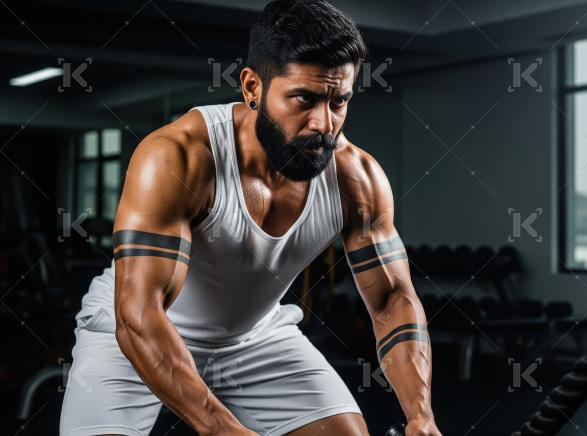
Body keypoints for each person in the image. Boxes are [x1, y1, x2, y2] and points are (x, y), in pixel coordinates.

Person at [59, 1, 440, 435]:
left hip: (253, 338)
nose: (323, 123)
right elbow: (139, 315)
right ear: (252, 86)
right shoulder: (178, 158)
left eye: (339, 101)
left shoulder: (357, 177)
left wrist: (420, 415)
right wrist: (225, 429)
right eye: (305, 99)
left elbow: (392, 300)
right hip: (131, 334)